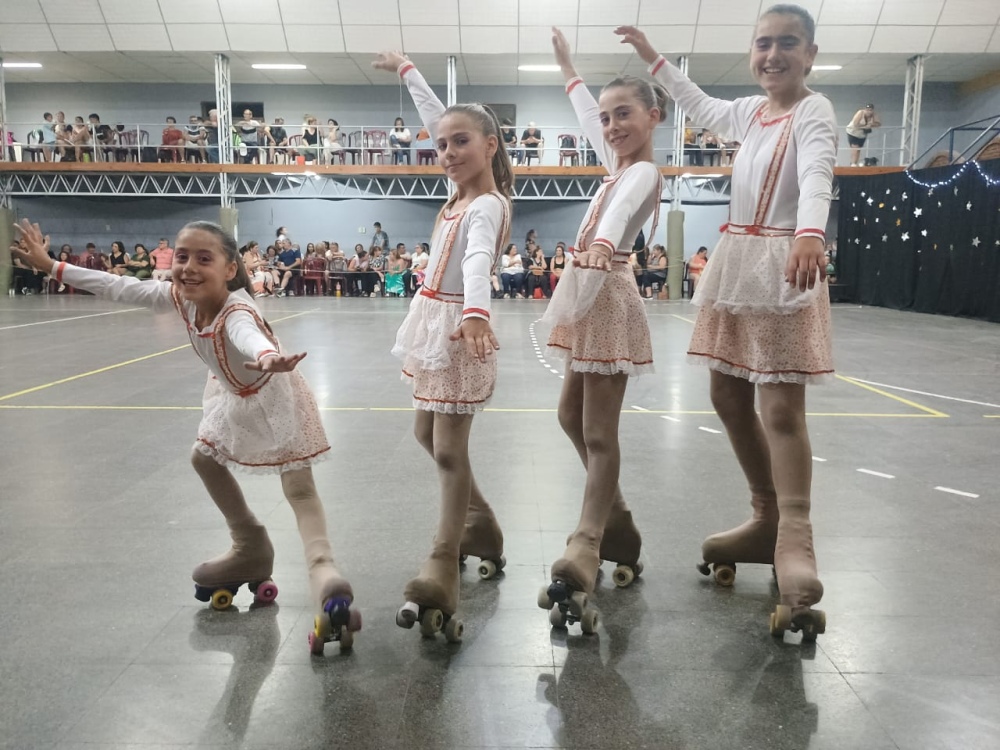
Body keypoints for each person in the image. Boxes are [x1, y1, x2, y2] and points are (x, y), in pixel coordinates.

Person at [12, 219, 360, 652]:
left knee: (299, 488)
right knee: (203, 457)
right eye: (182, 256)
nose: (188, 267)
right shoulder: (178, 296)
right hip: (233, 394)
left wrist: (269, 356)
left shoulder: (237, 309)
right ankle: (249, 544)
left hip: (273, 394)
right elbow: (118, 286)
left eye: (203, 258)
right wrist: (53, 267)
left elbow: (247, 336)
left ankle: (324, 569)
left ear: (230, 269)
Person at [620, 5, 835, 641]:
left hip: (785, 262)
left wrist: (809, 233)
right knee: (724, 390)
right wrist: (652, 56)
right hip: (740, 259)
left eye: (787, 44)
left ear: (811, 54)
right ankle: (765, 516)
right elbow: (700, 104)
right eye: (763, 44)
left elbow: (818, 171)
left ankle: (795, 534)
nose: (773, 55)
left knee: (782, 409)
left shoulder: (813, 110)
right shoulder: (750, 111)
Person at [372, 50, 513, 642]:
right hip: (433, 322)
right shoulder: (455, 194)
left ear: (491, 146)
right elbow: (438, 117)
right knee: (424, 434)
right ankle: (481, 524)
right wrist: (409, 72)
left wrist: (477, 312)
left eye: (462, 142)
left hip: (459, 329)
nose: (449, 152)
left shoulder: (484, 205)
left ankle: (443, 553)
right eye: (442, 145)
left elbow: (479, 259)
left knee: (450, 449)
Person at [538, 27, 665, 631]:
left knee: (598, 430)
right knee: (569, 416)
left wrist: (604, 244)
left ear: (653, 116)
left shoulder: (640, 173)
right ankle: (619, 520)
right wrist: (567, 66)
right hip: (586, 295)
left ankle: (589, 536)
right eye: (608, 118)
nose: (612, 126)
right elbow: (589, 115)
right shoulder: (613, 161)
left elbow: (618, 214)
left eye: (625, 115)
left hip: (607, 293)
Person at [846, 103, 880, 167]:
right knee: (855, 147)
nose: (869, 112)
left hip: (862, 134)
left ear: (872, 110)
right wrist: (865, 126)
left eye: (870, 110)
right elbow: (855, 123)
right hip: (853, 132)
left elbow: (878, 124)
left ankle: (855, 163)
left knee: (858, 149)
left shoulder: (874, 115)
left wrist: (871, 125)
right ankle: (852, 164)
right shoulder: (860, 113)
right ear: (865, 109)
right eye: (867, 110)